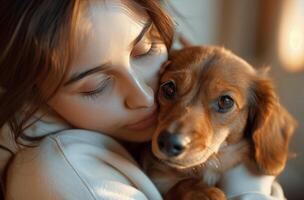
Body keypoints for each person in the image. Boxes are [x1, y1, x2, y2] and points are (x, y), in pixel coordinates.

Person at [0, 0, 287, 199]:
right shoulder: (67, 175)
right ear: (36, 96)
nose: (146, 96)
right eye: (95, 86)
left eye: (145, 50)